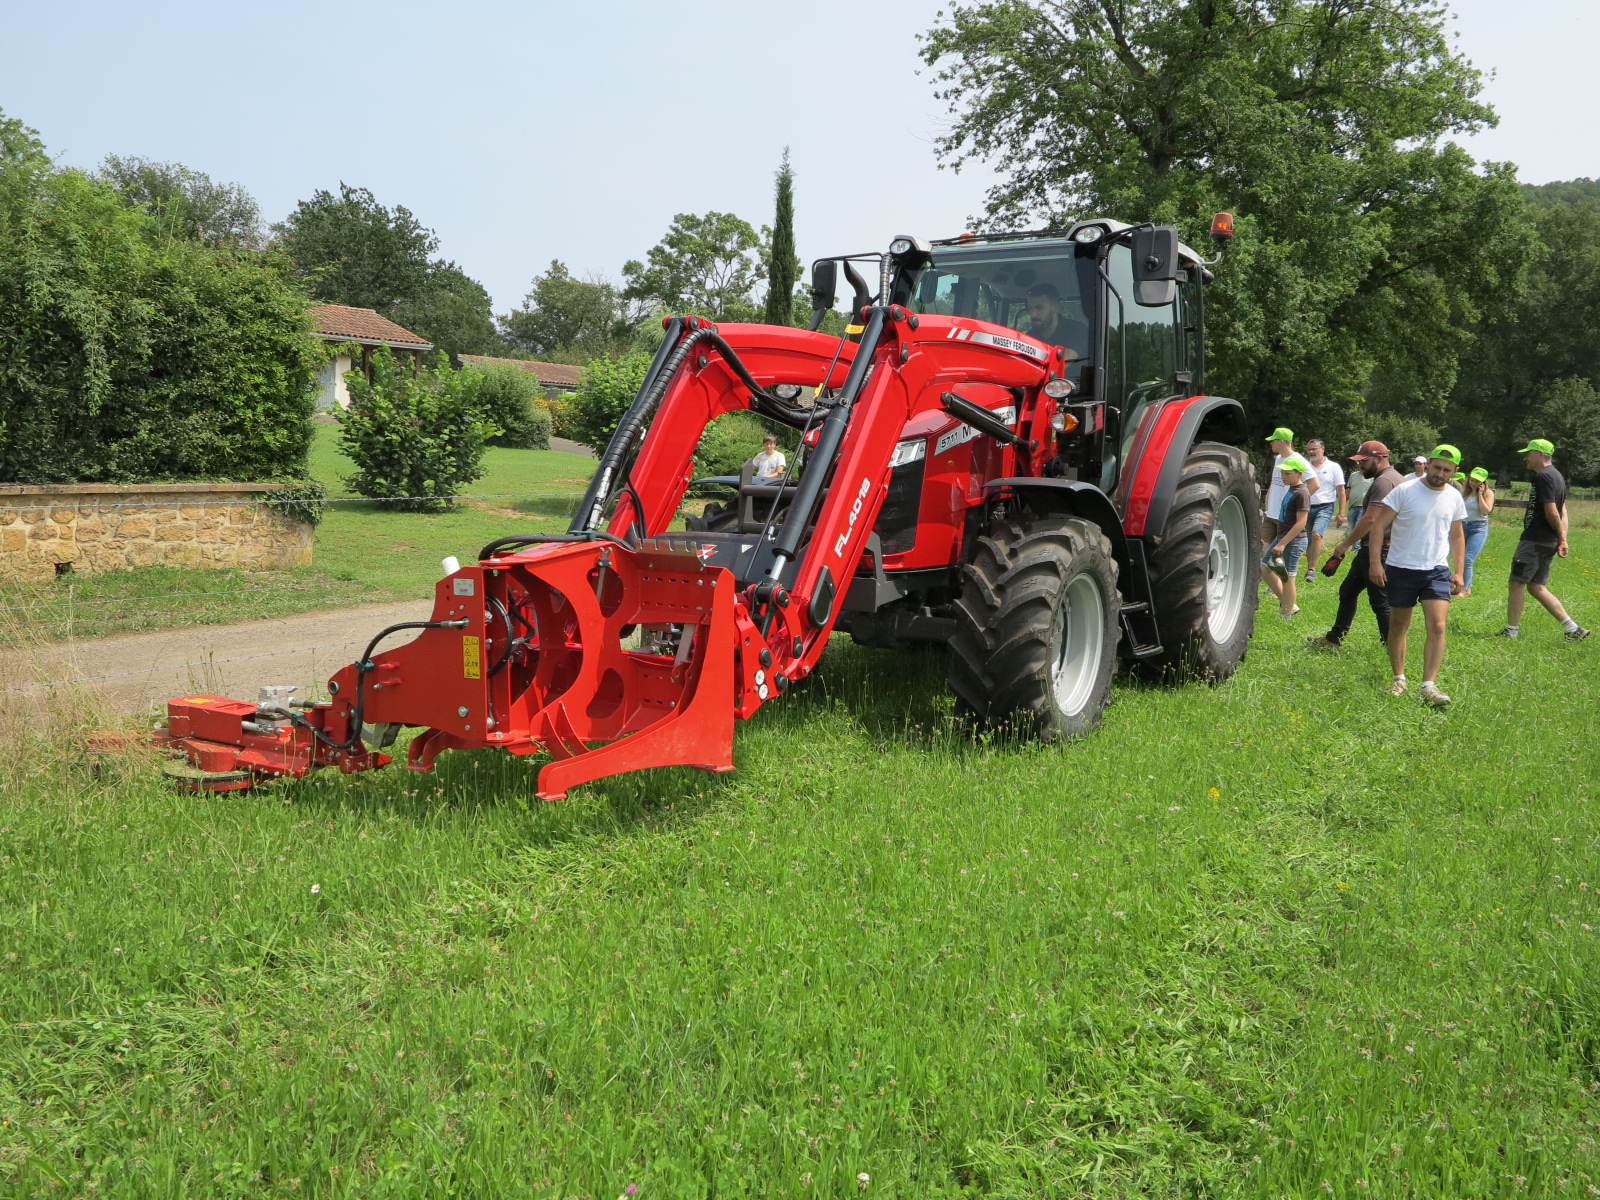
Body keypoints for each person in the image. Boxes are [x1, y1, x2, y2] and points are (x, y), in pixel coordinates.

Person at [1363, 445, 1467, 706]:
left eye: (1446, 470)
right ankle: (1399, 678)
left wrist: (1459, 571)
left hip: (1436, 570)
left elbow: (1456, 535)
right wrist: (1375, 564)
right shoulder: (1405, 490)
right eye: (1436, 467)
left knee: (1438, 625)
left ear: (1454, 471)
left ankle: (1428, 685)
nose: (1439, 473)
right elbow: (1378, 527)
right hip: (1401, 568)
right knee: (1399, 625)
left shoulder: (1454, 497)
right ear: (1428, 464)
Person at [1306, 441, 1404, 651]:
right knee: (1348, 591)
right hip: (1374, 548)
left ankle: (1392, 649)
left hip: (1380, 549)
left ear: (1379, 458)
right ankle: (1334, 639)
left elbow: (1370, 519)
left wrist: (1345, 544)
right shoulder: (1392, 477)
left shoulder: (1384, 481)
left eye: (1364, 461)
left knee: (1380, 601)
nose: (1360, 466)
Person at [1499, 438, 1589, 642]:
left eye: (1528, 454)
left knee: (1516, 583)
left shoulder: (1544, 477)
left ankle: (1511, 631)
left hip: (1536, 539)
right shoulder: (1558, 477)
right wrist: (1561, 538)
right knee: (1536, 586)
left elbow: (1552, 512)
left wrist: (1563, 538)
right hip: (1548, 540)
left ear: (1540, 454)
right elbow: (1563, 510)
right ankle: (1573, 628)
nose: (1525, 458)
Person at [1262, 455, 1312, 618]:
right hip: (1283, 536)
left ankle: (1286, 613)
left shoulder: (1302, 493)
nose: (1283, 477)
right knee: (1265, 567)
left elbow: (1301, 523)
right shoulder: (1292, 489)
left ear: (1298, 473)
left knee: (1288, 578)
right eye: (1282, 473)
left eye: (1287, 474)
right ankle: (1290, 605)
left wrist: (1282, 543)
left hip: (1294, 540)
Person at [1262, 428, 1322, 562]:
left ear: (1281, 442)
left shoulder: (1298, 460)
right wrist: (1268, 498)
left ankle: (1280, 581)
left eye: (1273, 441)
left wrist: (1295, 503)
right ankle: (1269, 579)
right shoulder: (1278, 458)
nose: (1270, 444)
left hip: (1283, 517)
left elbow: (1315, 484)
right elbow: (1275, 480)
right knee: (1263, 549)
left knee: (1278, 556)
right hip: (1270, 513)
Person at [1301, 438, 1347, 581]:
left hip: (1325, 506)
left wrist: (1341, 513)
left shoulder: (1333, 467)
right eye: (1309, 449)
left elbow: (1341, 491)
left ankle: (1312, 569)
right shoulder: (1305, 467)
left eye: (1314, 449)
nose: (1311, 452)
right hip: (1307, 506)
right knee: (1309, 540)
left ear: (1322, 449)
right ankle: (1310, 567)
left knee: (1316, 535)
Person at [1457, 466, 1495, 597]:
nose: (1474, 483)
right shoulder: (1463, 492)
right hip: (1463, 526)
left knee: (1468, 559)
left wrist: (1480, 495)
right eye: (1472, 480)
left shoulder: (1488, 493)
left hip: (1478, 528)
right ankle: (1461, 584)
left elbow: (1486, 511)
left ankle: (1465, 589)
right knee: (1460, 558)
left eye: (1477, 481)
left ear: (1483, 482)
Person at [1025, 283, 1087, 358]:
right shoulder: (1032, 335)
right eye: (1030, 308)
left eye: (1039, 308)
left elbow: (1060, 363)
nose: (1033, 314)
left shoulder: (1076, 329)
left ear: (1055, 308)